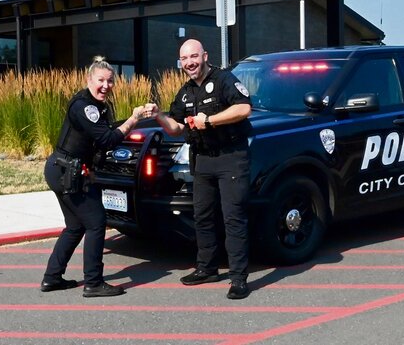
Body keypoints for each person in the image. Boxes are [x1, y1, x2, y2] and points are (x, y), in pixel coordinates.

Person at [146, 38, 253, 300]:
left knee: (233, 217)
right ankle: (207, 268)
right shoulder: (185, 92)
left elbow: (244, 108)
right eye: (184, 59)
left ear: (204, 56)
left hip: (231, 156)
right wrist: (159, 115)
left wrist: (211, 121)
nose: (190, 63)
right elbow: (177, 128)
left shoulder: (223, 80)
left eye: (194, 57)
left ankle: (238, 278)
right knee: (202, 216)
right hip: (202, 159)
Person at [41, 56, 147, 298]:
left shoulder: (97, 106)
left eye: (110, 81)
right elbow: (107, 139)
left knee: (75, 226)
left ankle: (52, 277)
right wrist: (133, 120)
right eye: (100, 80)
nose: (106, 86)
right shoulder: (84, 106)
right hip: (67, 171)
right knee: (96, 222)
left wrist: (138, 115)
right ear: (89, 80)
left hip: (64, 169)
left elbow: (104, 130)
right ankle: (93, 282)